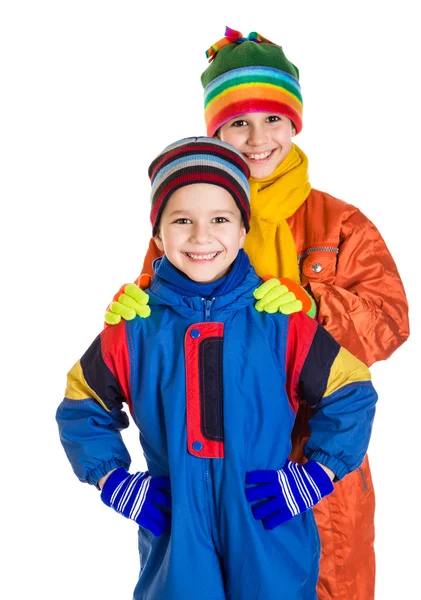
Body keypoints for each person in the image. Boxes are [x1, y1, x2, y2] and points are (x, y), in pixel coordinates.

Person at [104, 27, 409, 599]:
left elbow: (390, 322)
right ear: (215, 128)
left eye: (273, 119)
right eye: (238, 122)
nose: (257, 138)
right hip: (208, 478)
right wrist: (129, 315)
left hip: (320, 465)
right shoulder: (192, 218)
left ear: (296, 122)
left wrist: (306, 302)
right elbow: (158, 339)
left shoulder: (340, 224)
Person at [57, 137, 378, 600]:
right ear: (157, 236)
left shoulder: (279, 320)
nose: (201, 236)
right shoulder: (134, 327)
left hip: (268, 525)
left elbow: (352, 393)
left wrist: (314, 477)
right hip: (176, 534)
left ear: (244, 229)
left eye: (220, 219)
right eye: (182, 220)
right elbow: (80, 406)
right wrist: (115, 482)